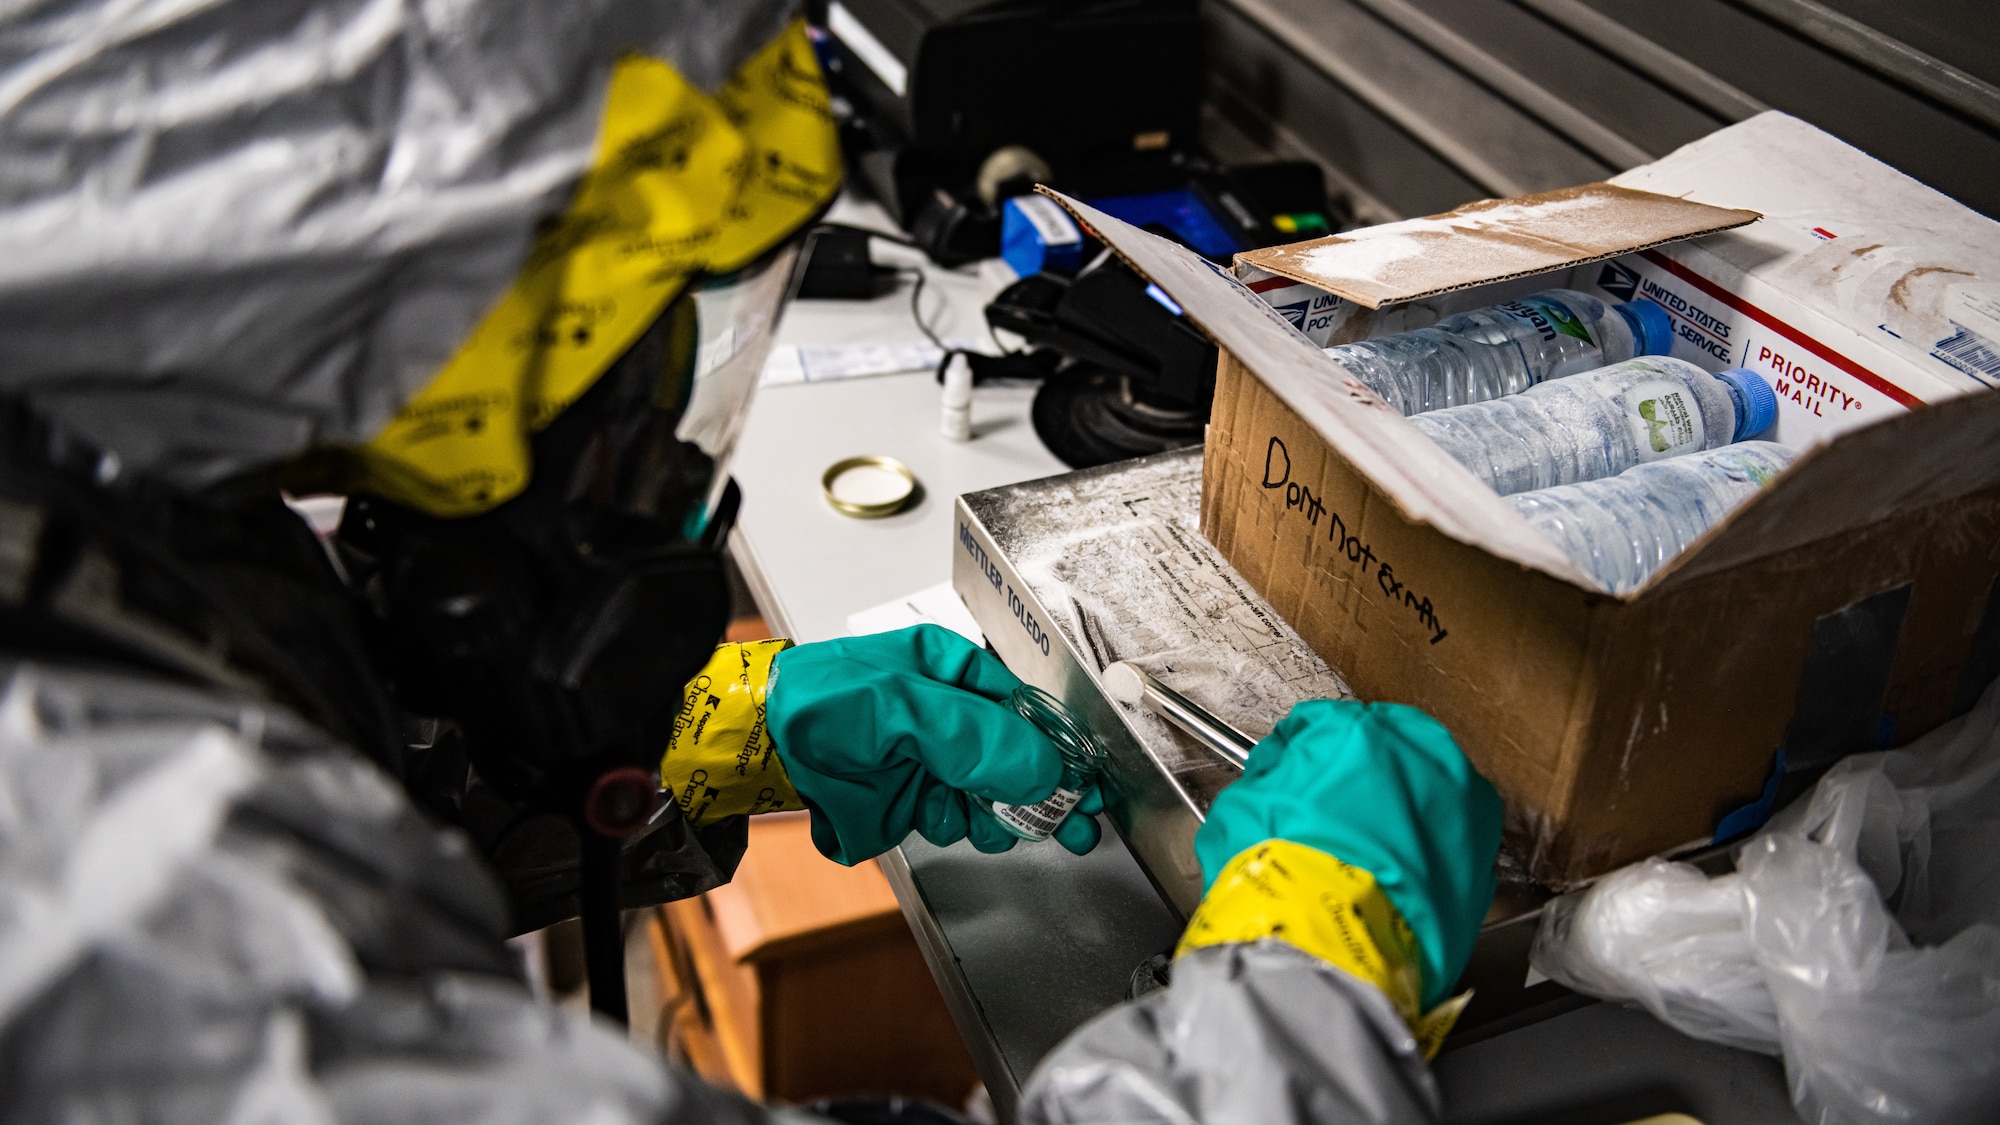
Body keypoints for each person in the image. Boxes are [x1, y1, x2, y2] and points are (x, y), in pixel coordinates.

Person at [0, 2, 1502, 1121]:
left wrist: (701, 746)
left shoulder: (93, 516)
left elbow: (297, 802)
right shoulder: (82, 897)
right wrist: (1310, 984)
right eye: (609, 349)